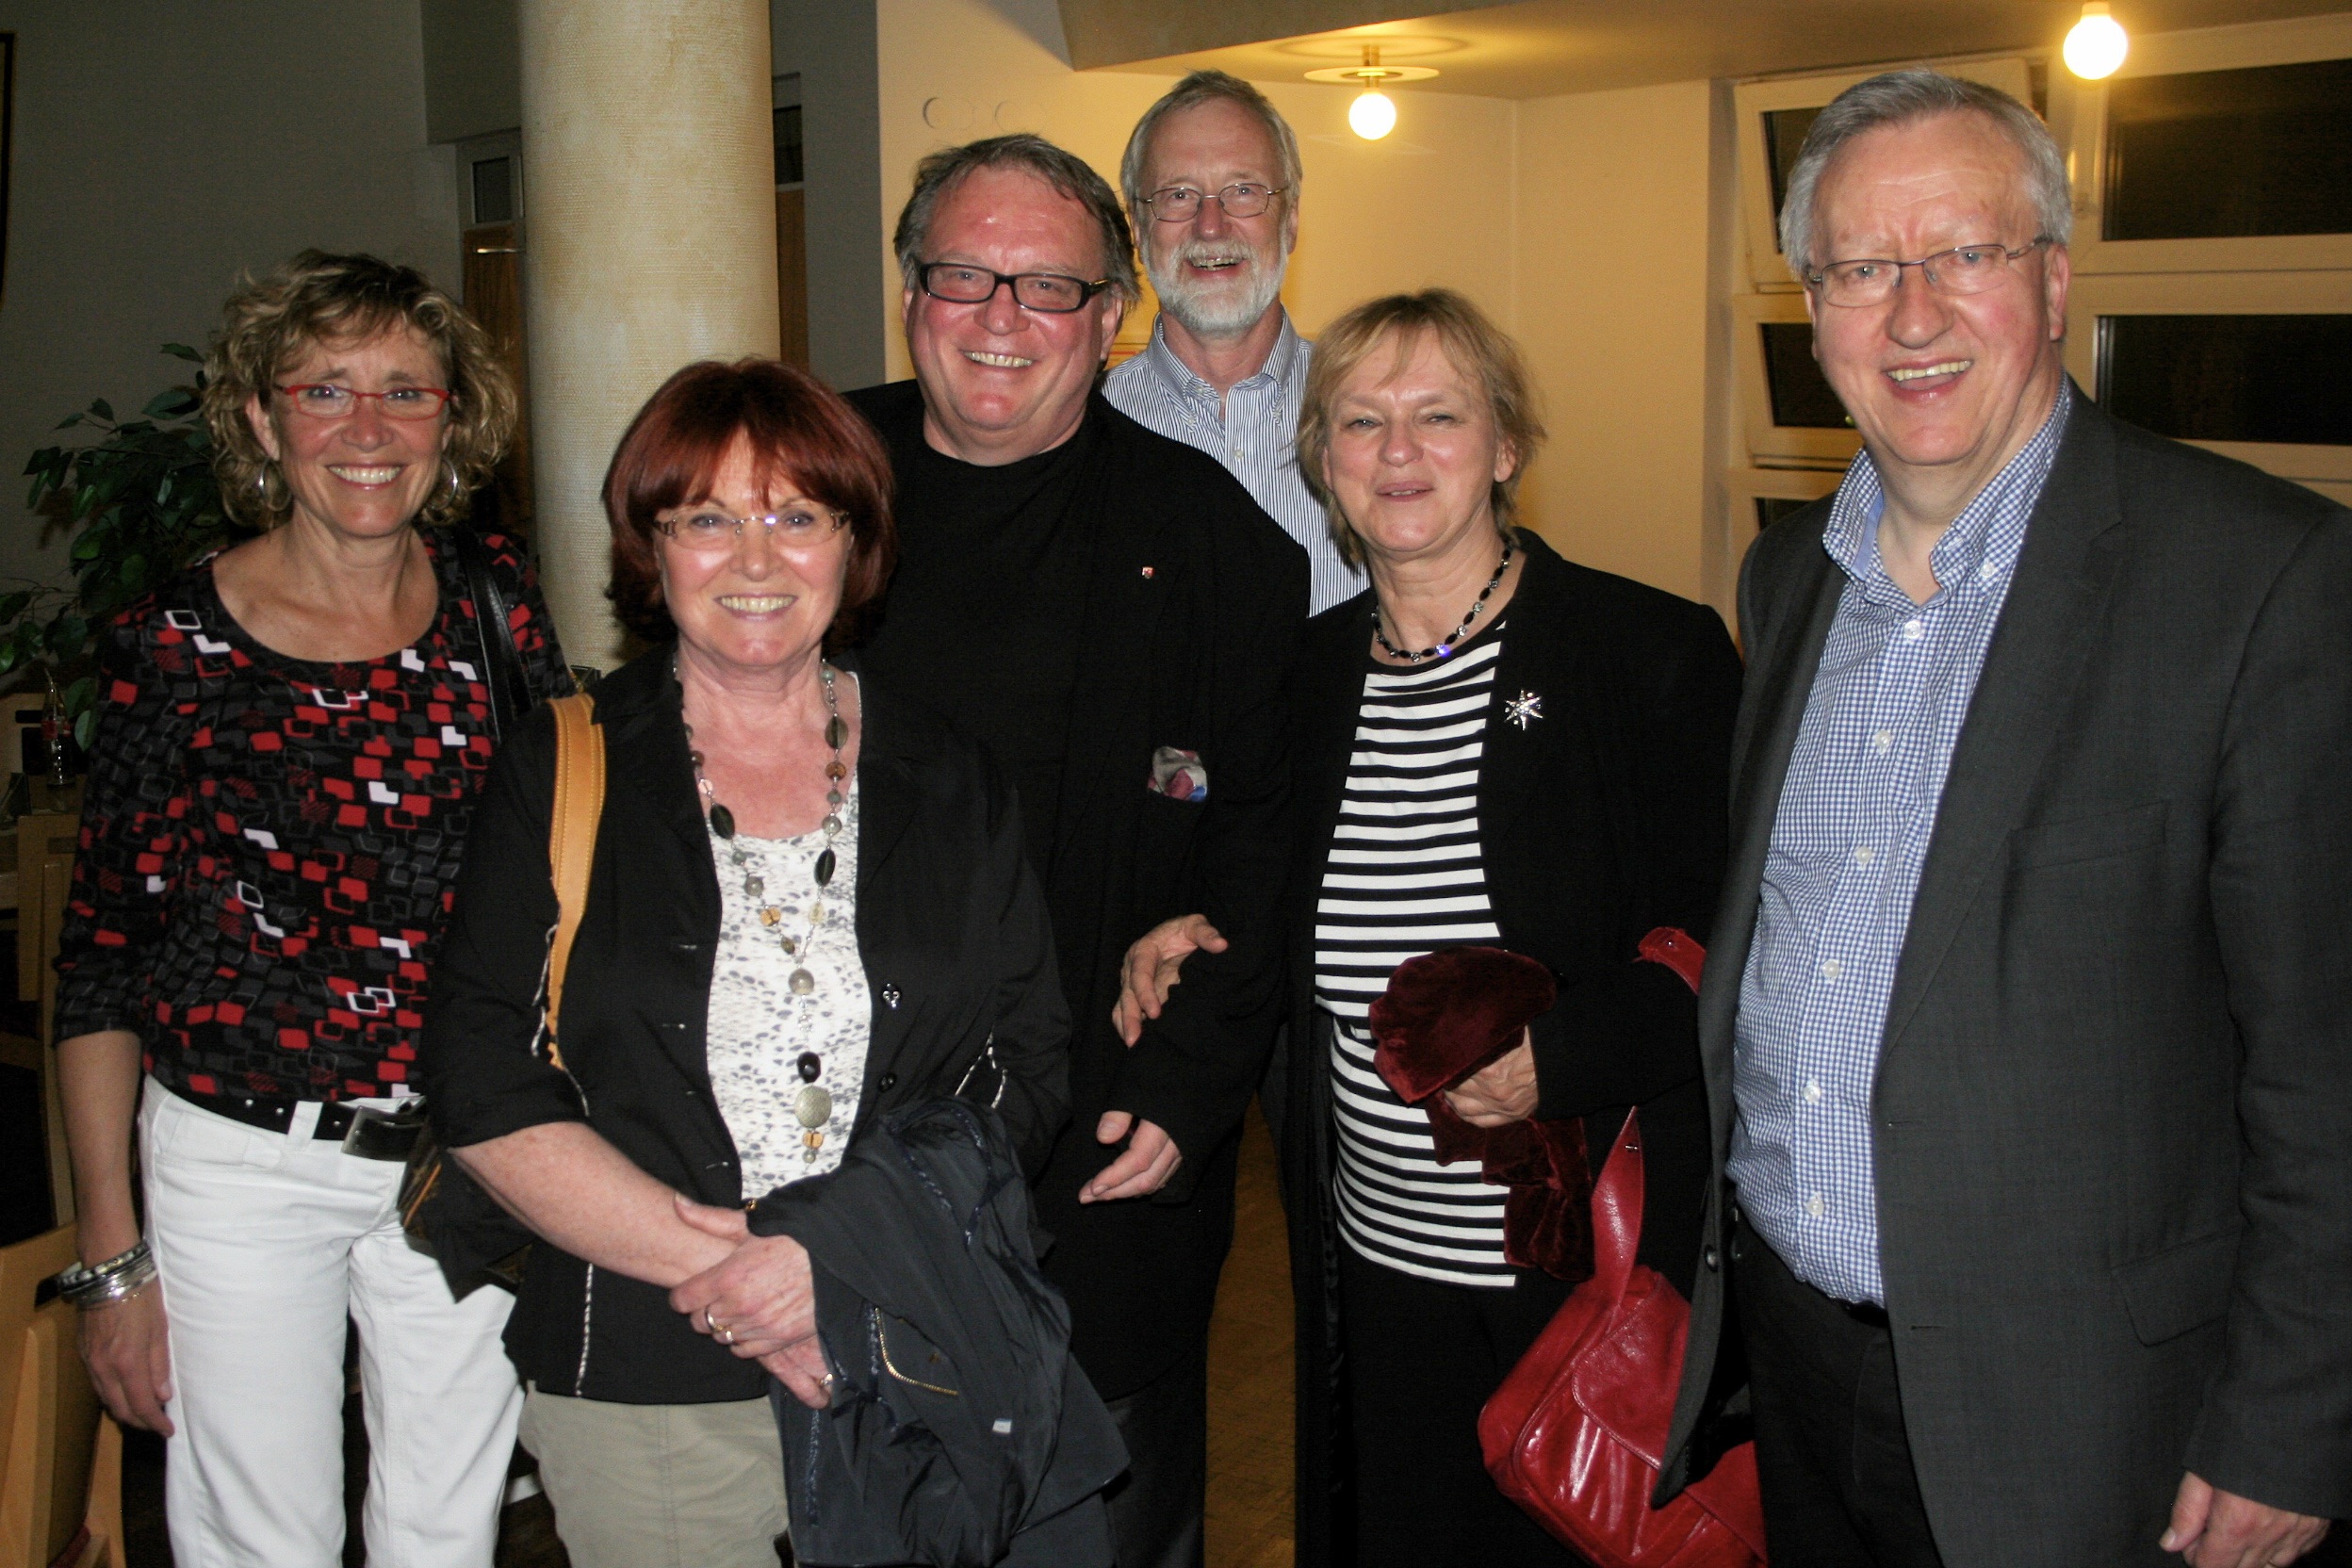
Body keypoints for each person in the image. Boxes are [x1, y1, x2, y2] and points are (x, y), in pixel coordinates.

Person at [1658, 71, 2352, 1568]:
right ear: (1813, 305)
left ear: (2050, 277)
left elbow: (2327, 1065)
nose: (1911, 316)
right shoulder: (1787, 585)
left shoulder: (2261, 583)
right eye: (1859, 269)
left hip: (2090, 1407)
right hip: (1793, 1352)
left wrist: (2295, 1417)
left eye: (1962, 253)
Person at [420, 358, 1080, 1568]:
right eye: (708, 519)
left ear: (855, 542)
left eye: (796, 515)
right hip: (647, 1370)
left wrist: (834, 1260)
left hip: (909, 1345)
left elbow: (1022, 1061)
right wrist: (738, 1275)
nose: (757, 558)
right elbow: (479, 1073)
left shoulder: (953, 771)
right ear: (652, 547)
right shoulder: (560, 764)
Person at [1123, 288, 1740, 1567]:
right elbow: (1262, 878)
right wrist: (1185, 925)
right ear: (1326, 462)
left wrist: (1561, 1061)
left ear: (1506, 446)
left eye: (1439, 416)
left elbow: (1738, 936)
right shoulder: (1306, 679)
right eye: (1362, 422)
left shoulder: (1644, 654)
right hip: (1375, 1260)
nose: (1399, 452)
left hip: (1581, 1276)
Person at [51, 249, 569, 1566]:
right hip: (242, 1160)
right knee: (258, 1541)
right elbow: (103, 962)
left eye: (406, 391)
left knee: (451, 1531)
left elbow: (565, 874)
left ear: (454, 420)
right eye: (326, 390)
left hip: (468, 1152)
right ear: (261, 418)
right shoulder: (174, 643)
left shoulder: (497, 608)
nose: (368, 429)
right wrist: (116, 1266)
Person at [845, 134, 1306, 1568]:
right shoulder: (805, 485)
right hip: (833, 1142)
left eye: (1048, 287)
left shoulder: (1214, 538)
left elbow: (1269, 843)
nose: (999, 319)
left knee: (1107, 1517)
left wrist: (1189, 1081)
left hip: (1103, 1145)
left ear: (1112, 317)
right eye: (964, 275)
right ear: (913, 289)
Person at [1105, 70, 1364, 614]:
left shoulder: (1376, 417)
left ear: (1290, 219)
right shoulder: (1081, 427)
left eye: (1243, 191)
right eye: (1178, 195)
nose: (1210, 225)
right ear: (1136, 227)